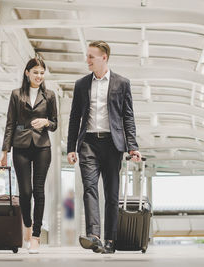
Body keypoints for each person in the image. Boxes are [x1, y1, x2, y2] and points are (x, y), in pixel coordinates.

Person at [67, 41, 141, 254]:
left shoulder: (122, 83)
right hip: (88, 143)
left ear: (104, 57)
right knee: (89, 188)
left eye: (91, 56)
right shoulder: (81, 84)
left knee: (111, 193)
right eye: (87, 56)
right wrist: (71, 147)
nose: (87, 60)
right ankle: (94, 235)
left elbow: (128, 117)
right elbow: (74, 118)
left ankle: (110, 240)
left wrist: (132, 147)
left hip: (112, 144)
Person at [0, 57, 58, 254]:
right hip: (21, 145)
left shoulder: (49, 96)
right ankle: (27, 224)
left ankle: (35, 237)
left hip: (42, 146)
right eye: (36, 72)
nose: (39, 76)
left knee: (38, 191)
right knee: (25, 191)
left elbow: (55, 124)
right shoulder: (17, 94)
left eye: (42, 73)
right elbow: (10, 123)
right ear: (27, 73)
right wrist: (4, 150)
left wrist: (45, 122)